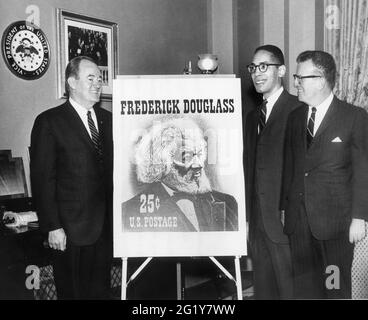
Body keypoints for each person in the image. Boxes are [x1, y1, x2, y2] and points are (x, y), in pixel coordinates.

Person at [281, 50, 368, 299]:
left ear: (320, 80)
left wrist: (359, 217)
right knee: (305, 292)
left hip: (335, 226)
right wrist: (285, 210)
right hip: (299, 224)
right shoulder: (295, 118)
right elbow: (291, 167)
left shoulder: (354, 117)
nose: (295, 83)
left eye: (300, 77)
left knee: (334, 289)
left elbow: (364, 170)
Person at [30, 56, 113, 299]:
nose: (98, 83)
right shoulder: (49, 122)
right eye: (91, 78)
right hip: (69, 232)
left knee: (100, 294)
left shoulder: (108, 121)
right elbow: (43, 180)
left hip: (104, 231)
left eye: (100, 78)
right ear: (71, 82)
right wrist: (53, 226)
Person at [244, 45, 300, 299]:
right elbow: (249, 168)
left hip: (284, 222)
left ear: (282, 70)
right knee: (264, 292)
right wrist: (247, 219)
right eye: (253, 68)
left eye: (264, 66)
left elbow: (301, 168)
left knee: (290, 291)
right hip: (257, 225)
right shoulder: (252, 116)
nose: (257, 73)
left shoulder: (297, 110)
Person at [122, 117, 238, 232]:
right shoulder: (130, 210)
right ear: (163, 163)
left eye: (199, 154)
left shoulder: (228, 204)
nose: (199, 165)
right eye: (187, 157)